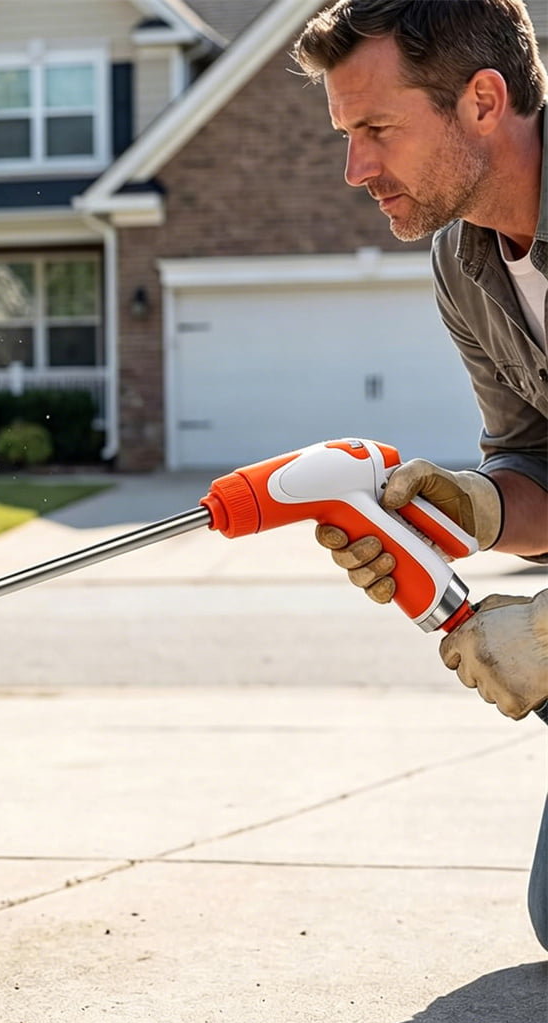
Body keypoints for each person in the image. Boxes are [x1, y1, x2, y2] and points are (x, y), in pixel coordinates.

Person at [292, 0, 548, 947]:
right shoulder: (463, 260)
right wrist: (469, 510)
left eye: (376, 130)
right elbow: (536, 466)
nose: (356, 169)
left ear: (483, 100)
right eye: (345, 134)